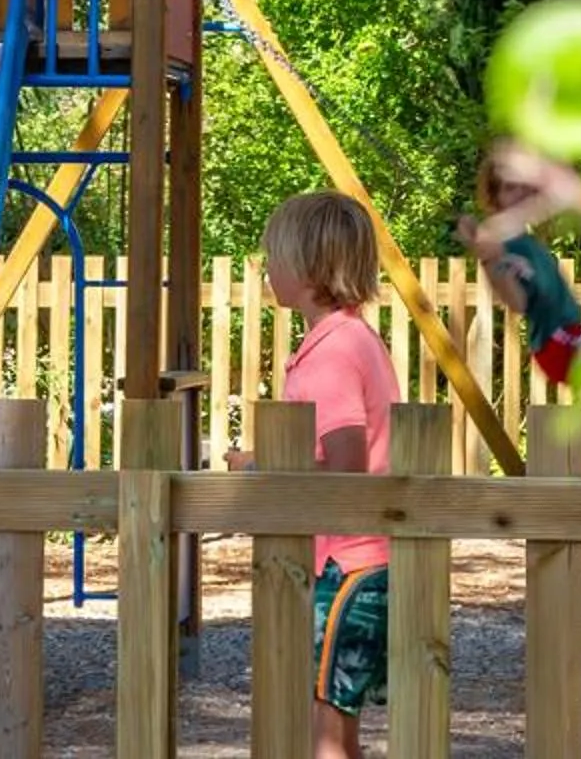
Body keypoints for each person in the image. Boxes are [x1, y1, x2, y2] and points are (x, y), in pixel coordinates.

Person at [225, 191, 402, 759]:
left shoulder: (330, 353)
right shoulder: (354, 338)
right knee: (334, 722)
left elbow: (345, 458)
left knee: (324, 729)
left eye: (273, 256)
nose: (267, 266)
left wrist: (262, 464)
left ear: (309, 267)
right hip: (369, 559)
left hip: (349, 564)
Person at [456, 149, 581, 385]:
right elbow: (517, 303)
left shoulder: (526, 242)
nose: (520, 195)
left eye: (524, 187)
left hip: (571, 335)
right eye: (509, 188)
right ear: (494, 198)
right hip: (557, 344)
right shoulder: (503, 244)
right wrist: (490, 261)